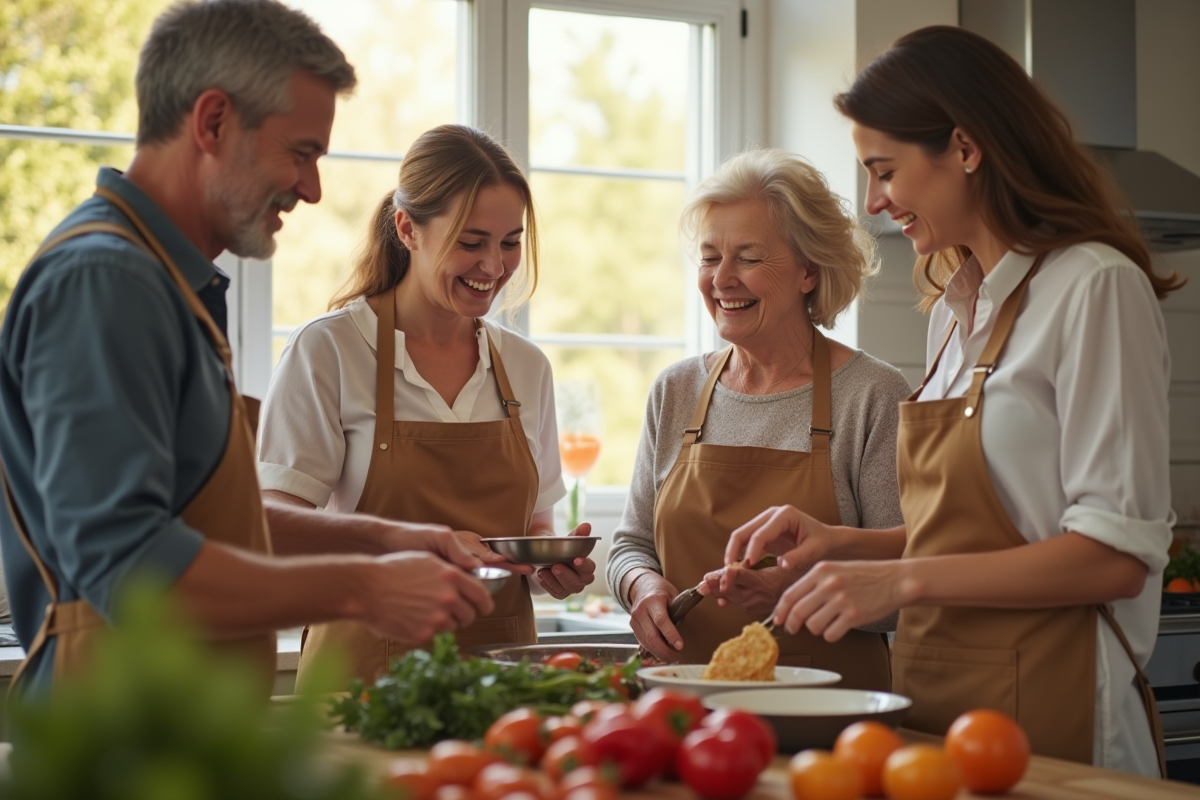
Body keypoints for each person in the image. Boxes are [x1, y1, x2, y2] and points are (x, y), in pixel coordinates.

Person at [0, 0, 497, 699]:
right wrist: (363, 587)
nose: (312, 189)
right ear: (212, 122)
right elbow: (129, 564)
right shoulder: (108, 282)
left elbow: (204, 520)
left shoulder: (166, 283)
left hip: (180, 725)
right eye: (301, 153)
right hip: (114, 732)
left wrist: (385, 540)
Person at [726, 26, 1185, 777]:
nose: (873, 201)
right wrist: (840, 545)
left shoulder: (1094, 288)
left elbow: (1114, 559)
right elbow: (978, 535)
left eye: (885, 171)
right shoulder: (952, 310)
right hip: (939, 706)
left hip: (1058, 710)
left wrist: (897, 580)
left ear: (965, 148)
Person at [257, 123, 597, 689]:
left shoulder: (525, 366)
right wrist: (400, 545)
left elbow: (534, 529)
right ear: (407, 229)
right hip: (364, 679)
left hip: (505, 682)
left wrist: (551, 569)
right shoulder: (330, 350)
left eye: (510, 242)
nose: (494, 266)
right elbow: (272, 527)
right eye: (471, 242)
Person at [605, 149, 912, 690]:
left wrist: (789, 592)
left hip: (827, 714)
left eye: (747, 258)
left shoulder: (872, 395)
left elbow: (905, 592)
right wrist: (641, 587)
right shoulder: (676, 390)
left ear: (808, 271)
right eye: (709, 258)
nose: (721, 279)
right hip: (682, 703)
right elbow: (631, 546)